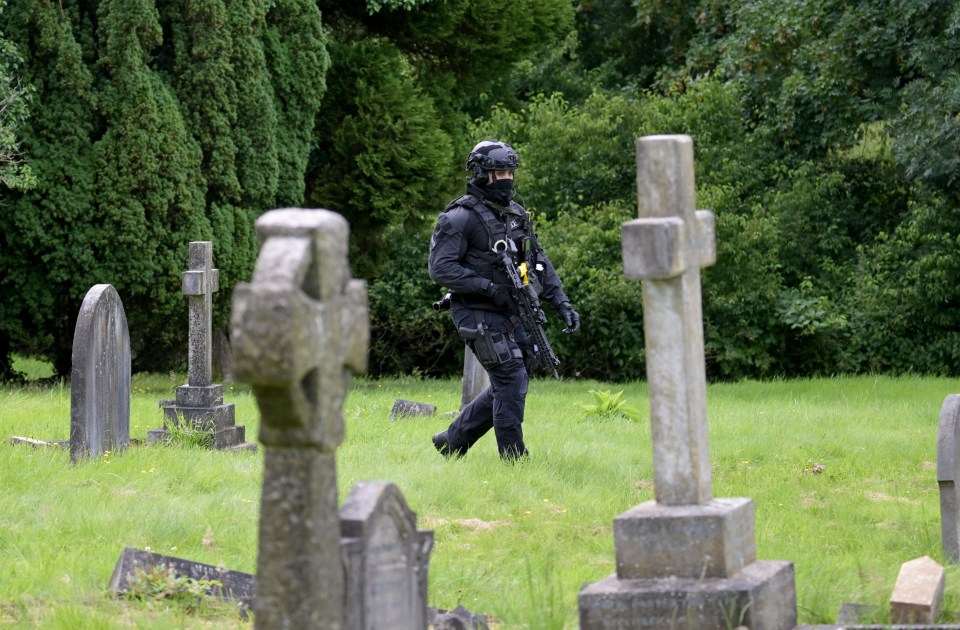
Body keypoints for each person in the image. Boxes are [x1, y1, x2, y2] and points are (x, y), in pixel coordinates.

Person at [428, 140, 580, 460]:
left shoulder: (516, 215)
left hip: (511, 311)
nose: (507, 178)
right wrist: (486, 287)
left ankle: (452, 441)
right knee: (511, 377)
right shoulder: (459, 217)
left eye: (510, 171)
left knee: (512, 377)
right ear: (482, 174)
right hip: (475, 312)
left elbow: (539, 262)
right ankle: (514, 461)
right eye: (499, 172)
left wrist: (562, 302)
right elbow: (441, 268)